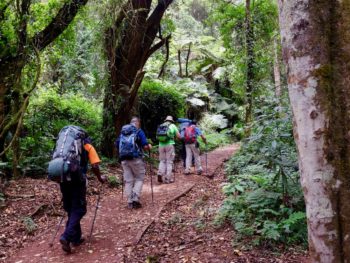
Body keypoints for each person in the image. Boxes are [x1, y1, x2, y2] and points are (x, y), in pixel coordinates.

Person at [56, 127, 106, 253]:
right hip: (77, 180)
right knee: (79, 209)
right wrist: (100, 178)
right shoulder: (87, 144)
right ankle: (66, 236)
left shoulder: (62, 145)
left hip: (62, 178)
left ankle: (75, 238)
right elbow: (95, 165)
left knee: (70, 208)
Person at [115, 117, 152, 209]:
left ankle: (129, 201)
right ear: (138, 123)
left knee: (129, 180)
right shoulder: (138, 131)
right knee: (139, 178)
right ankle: (135, 198)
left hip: (124, 159)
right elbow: (145, 146)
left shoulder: (123, 133)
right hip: (136, 159)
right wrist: (149, 146)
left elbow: (116, 144)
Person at [157, 116, 181, 184]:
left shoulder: (161, 125)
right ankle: (167, 179)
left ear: (166, 120)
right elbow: (179, 136)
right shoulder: (173, 125)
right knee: (169, 162)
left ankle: (160, 173)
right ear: (171, 121)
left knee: (162, 161)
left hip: (160, 145)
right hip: (169, 145)